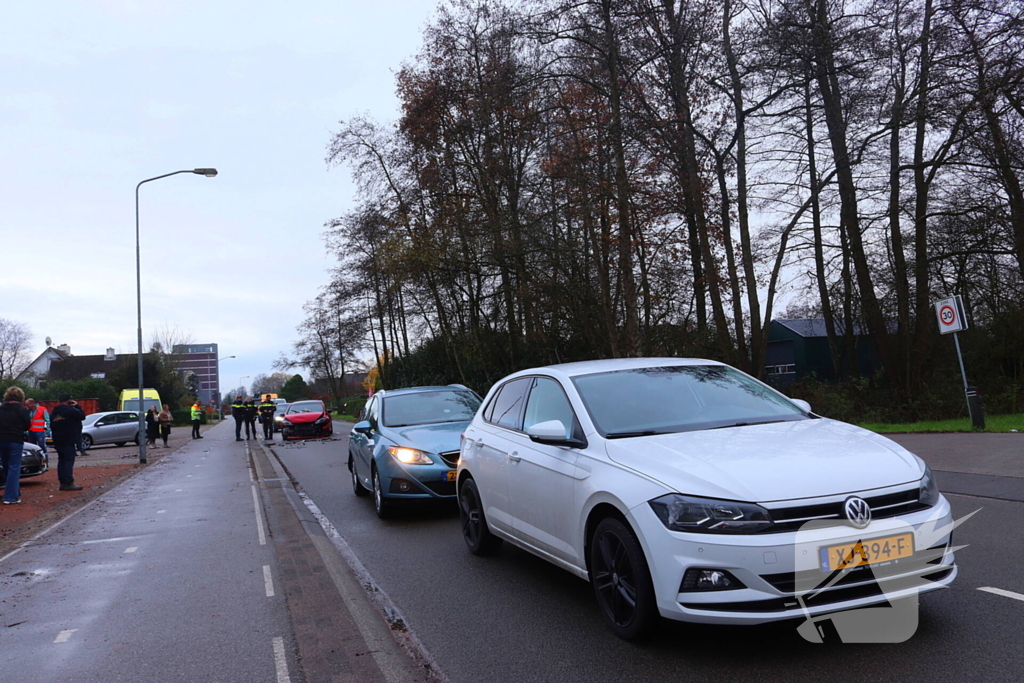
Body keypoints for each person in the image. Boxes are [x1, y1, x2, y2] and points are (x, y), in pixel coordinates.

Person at [0, 386, 31, 504]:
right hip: (15, 439)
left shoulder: (1, 409)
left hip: (2, 439)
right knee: (14, 468)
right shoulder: (22, 410)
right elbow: (27, 425)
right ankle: (10, 496)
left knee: (7, 467)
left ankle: (14, 492)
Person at [50, 393, 85, 491]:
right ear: (68, 401)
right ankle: (68, 482)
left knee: (61, 460)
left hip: (57, 439)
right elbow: (82, 416)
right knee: (69, 460)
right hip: (68, 439)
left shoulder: (55, 412)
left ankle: (62, 482)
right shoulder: (70, 410)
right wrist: (77, 406)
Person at [24, 397, 49, 462]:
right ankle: (35, 461)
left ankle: (45, 461)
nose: (27, 406)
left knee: (41, 446)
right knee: (32, 447)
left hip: (40, 431)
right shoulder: (28, 411)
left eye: (28, 405)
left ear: (32, 403)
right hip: (31, 431)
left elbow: (47, 420)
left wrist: (47, 431)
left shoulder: (42, 409)